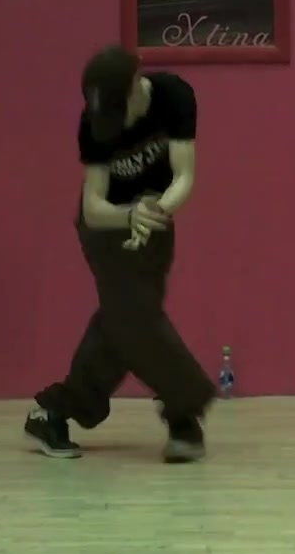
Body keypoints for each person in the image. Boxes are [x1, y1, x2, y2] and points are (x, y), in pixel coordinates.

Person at [25, 44, 215, 463]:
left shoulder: (174, 97)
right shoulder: (92, 122)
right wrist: (130, 215)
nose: (114, 122)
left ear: (136, 82)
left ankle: (54, 411)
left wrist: (155, 211)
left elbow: (184, 174)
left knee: (125, 318)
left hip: (154, 215)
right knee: (135, 316)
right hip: (107, 226)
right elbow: (93, 206)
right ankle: (184, 409)